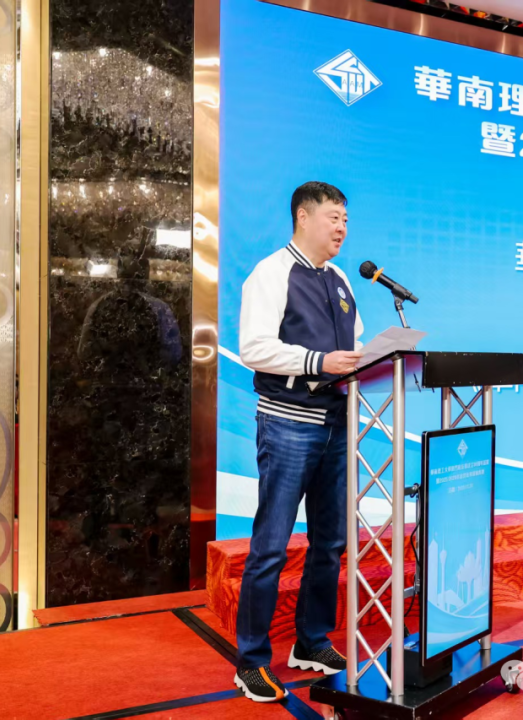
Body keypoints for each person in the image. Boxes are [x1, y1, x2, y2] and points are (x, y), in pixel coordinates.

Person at [234, 182, 364, 703]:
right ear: (303, 217)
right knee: (270, 546)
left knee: (330, 542)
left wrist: (369, 359)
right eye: (333, 217)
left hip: (337, 424)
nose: (342, 228)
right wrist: (318, 363)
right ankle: (251, 661)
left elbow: (356, 346)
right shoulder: (271, 273)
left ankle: (311, 641)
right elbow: (254, 347)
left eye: (346, 220)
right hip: (288, 423)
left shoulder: (340, 280)